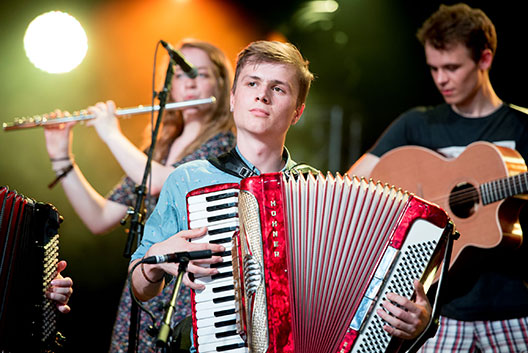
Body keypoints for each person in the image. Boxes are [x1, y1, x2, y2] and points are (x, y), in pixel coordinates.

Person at [130, 40, 432, 351]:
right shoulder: (189, 179)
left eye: (279, 89)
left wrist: (417, 322)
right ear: (233, 99)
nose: (262, 94)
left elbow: (365, 300)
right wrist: (154, 261)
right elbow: (139, 287)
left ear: (298, 112)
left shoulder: (320, 190)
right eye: (252, 83)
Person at [348, 4, 528, 352]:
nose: (441, 79)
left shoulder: (520, 127)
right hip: (436, 315)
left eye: (452, 67)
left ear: (485, 59)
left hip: (514, 308)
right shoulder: (416, 125)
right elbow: (356, 185)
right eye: (433, 68)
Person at [43, 40, 236, 352]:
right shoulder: (158, 150)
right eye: (180, 76)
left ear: (221, 84)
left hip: (185, 295)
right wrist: (61, 157)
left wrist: (110, 133)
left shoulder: (223, 144)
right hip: (144, 285)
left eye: (200, 74)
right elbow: (100, 217)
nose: (189, 84)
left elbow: (162, 181)